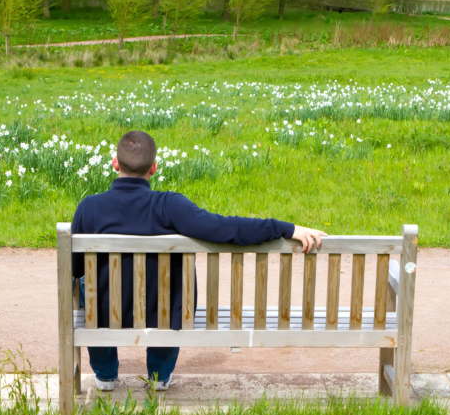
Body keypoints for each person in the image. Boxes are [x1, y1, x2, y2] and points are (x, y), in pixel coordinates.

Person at [71, 130, 326, 392]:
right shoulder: (170, 205)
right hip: (163, 313)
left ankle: (104, 375)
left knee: (87, 288)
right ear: (154, 168)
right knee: (169, 294)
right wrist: (287, 228)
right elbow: (227, 228)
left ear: (115, 163)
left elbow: (76, 268)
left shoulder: (89, 207)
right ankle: (159, 375)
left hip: (105, 310)